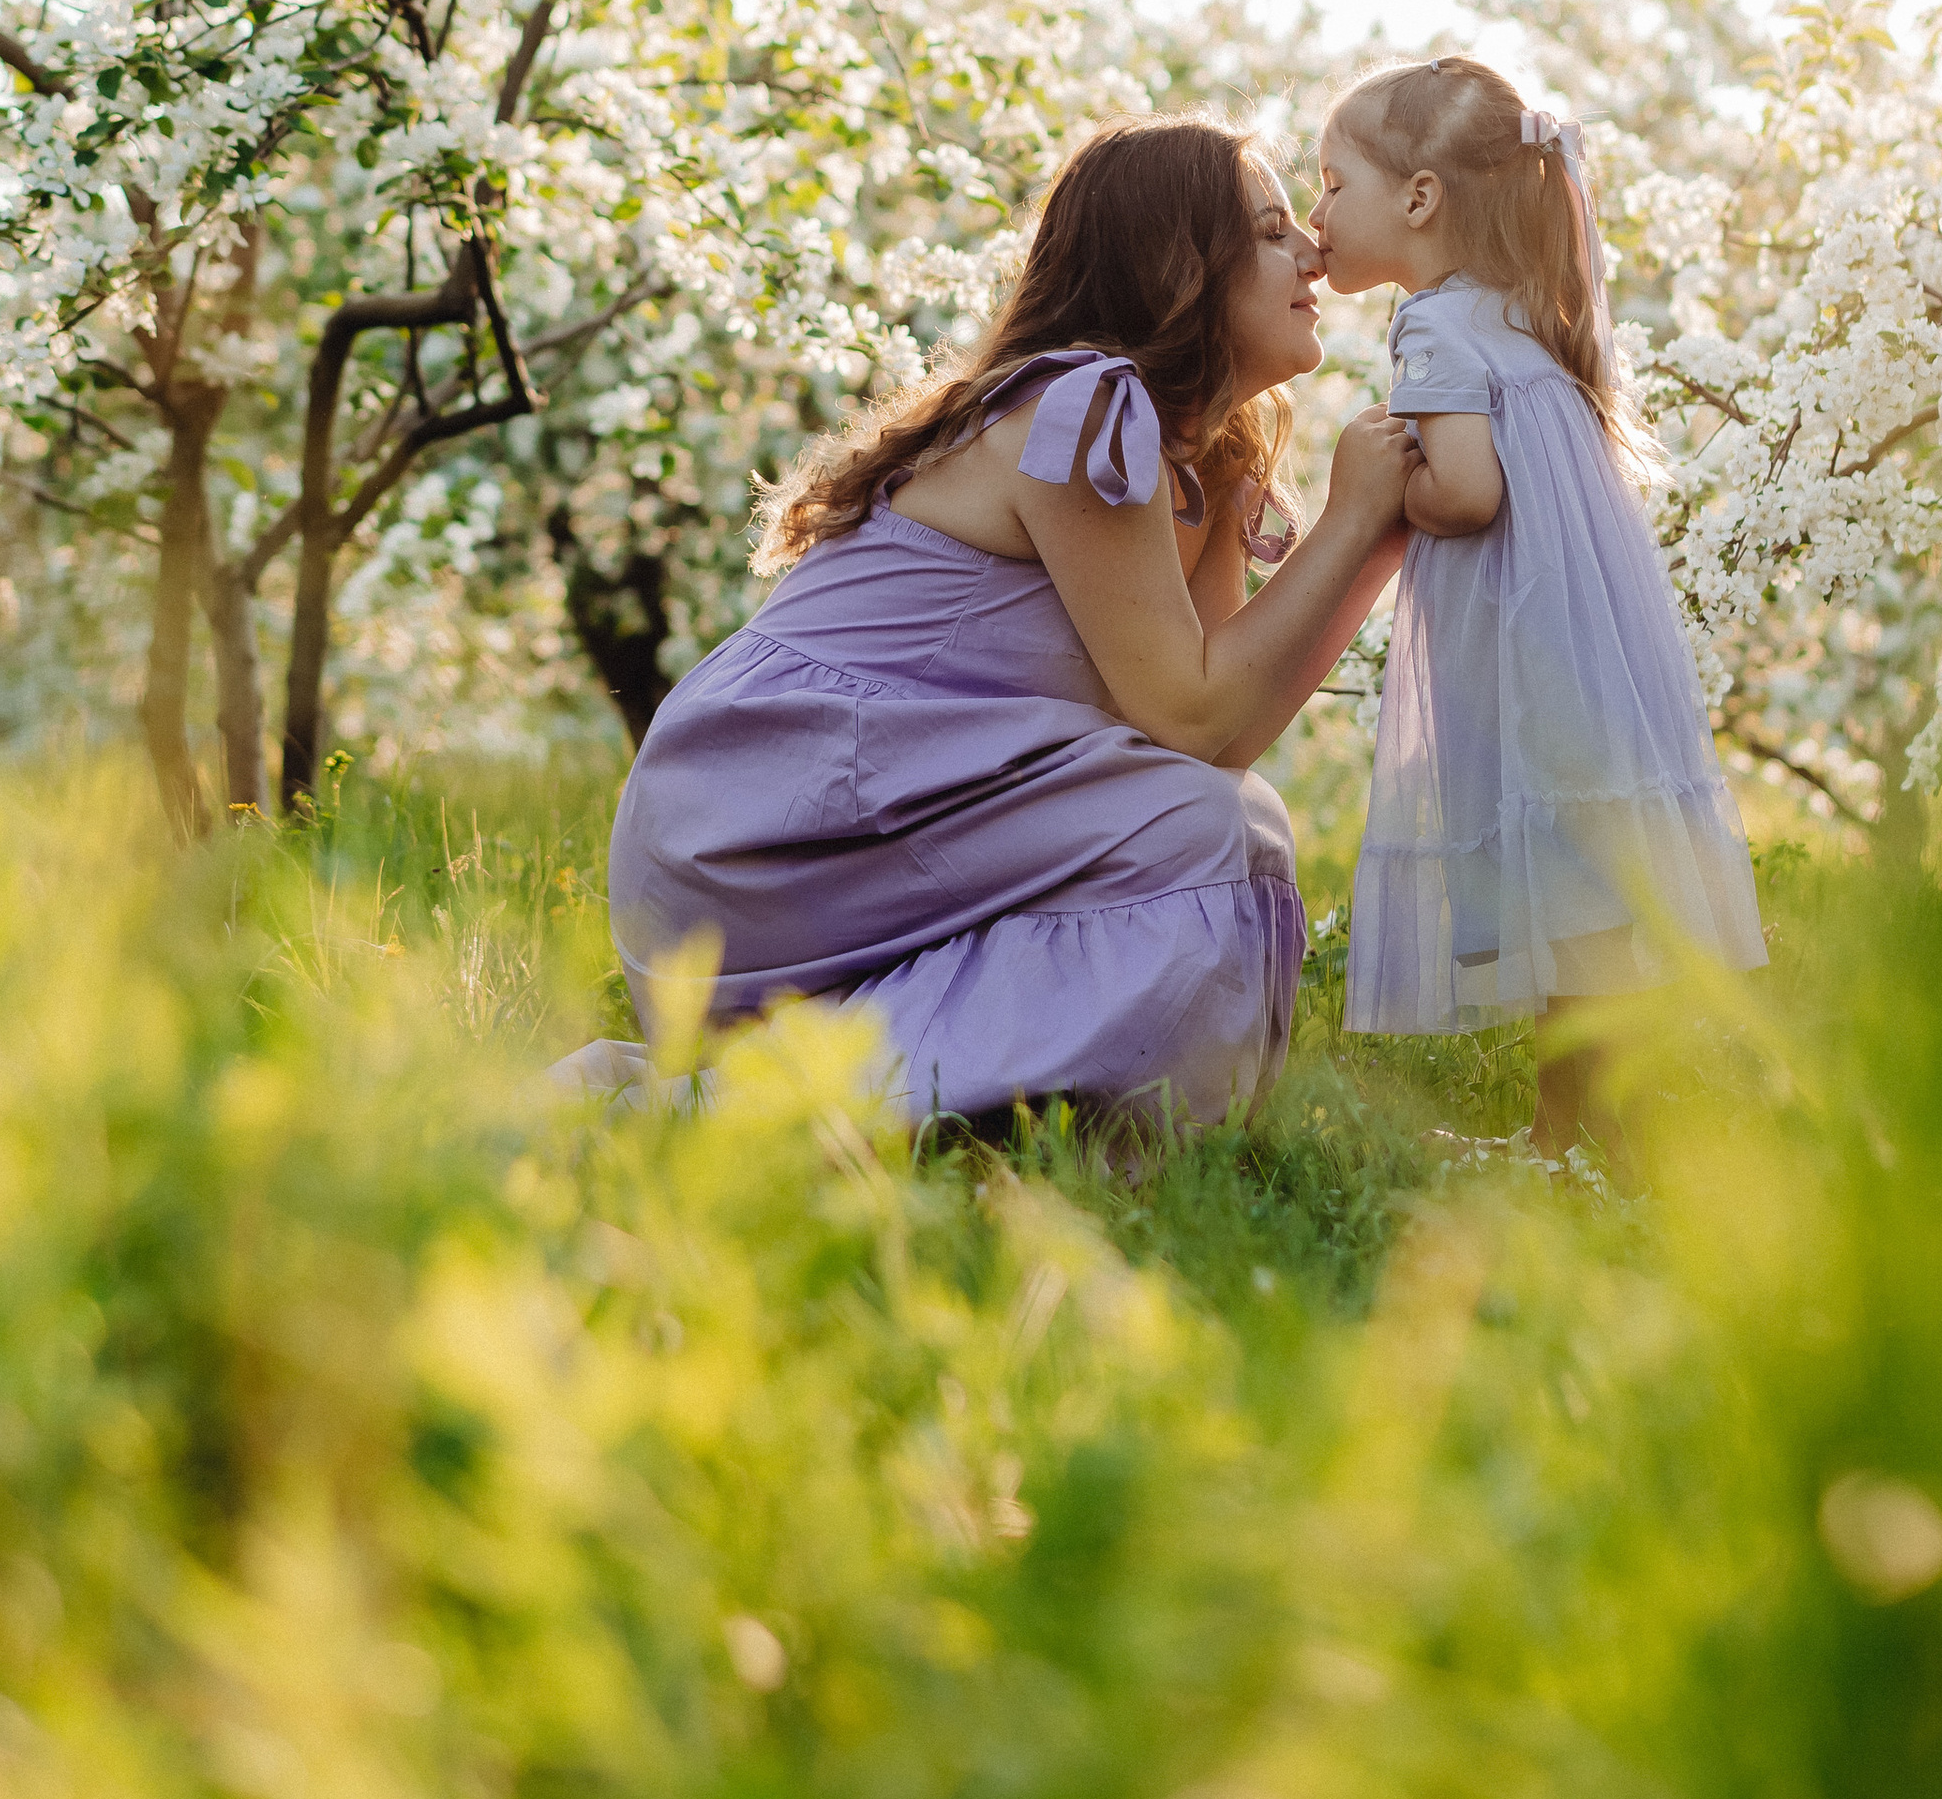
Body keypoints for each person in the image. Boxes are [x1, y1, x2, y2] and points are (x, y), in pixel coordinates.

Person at [608, 118, 1418, 1126]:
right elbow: (1196, 721)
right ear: (1178, 269)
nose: (1313, 250)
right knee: (1215, 827)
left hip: (894, 810)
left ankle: (898, 1108)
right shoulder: (1084, 405)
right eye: (1270, 231)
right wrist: (1356, 520)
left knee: (1219, 816)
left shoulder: (1202, 459)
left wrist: (1378, 533)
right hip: (772, 818)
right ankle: (754, 1112)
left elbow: (1212, 729)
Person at [1308, 54, 1764, 1153]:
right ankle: (1586, 1129)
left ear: (1418, 198)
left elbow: (1465, 492)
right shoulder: (1523, 313)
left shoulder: (1429, 325)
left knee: (1548, 881)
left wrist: (1378, 490)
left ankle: (1577, 1138)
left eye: (1330, 185)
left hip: (1515, 642)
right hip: (1582, 637)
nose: (1314, 214)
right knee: (1586, 889)